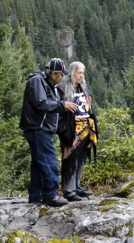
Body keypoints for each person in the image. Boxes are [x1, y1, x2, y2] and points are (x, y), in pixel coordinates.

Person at [20, 58, 77, 206]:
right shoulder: (37, 81)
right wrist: (62, 105)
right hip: (38, 128)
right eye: (61, 75)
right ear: (54, 73)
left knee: (38, 164)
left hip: (42, 129)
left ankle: (35, 196)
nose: (62, 78)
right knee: (49, 161)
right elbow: (41, 103)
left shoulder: (50, 85)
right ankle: (50, 195)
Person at [57, 61, 98, 201]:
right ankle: (68, 189)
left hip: (86, 128)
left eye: (83, 73)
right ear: (72, 72)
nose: (81, 76)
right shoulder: (63, 87)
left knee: (81, 158)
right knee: (70, 158)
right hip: (71, 129)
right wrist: (62, 129)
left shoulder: (82, 87)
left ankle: (76, 186)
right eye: (79, 73)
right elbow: (60, 109)